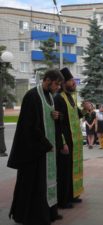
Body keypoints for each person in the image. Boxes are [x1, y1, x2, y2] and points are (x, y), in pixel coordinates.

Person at [7, 69, 64, 225]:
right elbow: (29, 126)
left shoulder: (50, 97)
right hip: (34, 151)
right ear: (48, 80)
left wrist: (57, 117)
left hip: (46, 150)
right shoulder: (32, 96)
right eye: (56, 84)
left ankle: (49, 212)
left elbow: (50, 121)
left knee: (46, 182)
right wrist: (46, 145)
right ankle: (32, 216)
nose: (58, 87)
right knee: (33, 184)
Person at [54, 67, 84, 209]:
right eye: (71, 81)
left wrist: (86, 108)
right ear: (64, 83)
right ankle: (62, 200)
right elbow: (57, 124)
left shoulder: (70, 97)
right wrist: (62, 143)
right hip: (65, 141)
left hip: (74, 141)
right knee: (64, 172)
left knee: (72, 169)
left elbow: (78, 115)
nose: (74, 83)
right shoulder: (58, 98)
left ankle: (72, 195)